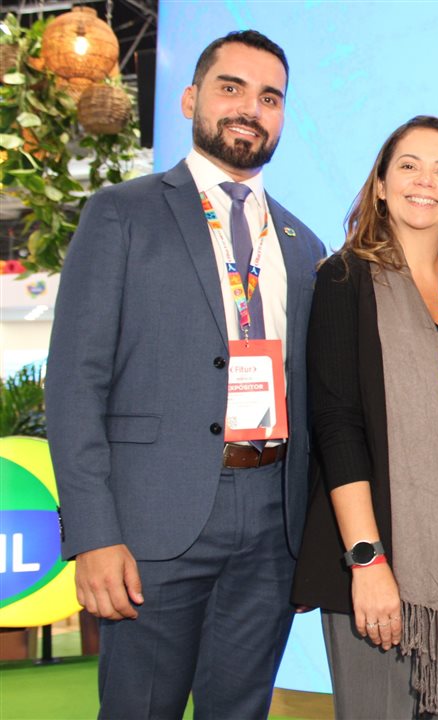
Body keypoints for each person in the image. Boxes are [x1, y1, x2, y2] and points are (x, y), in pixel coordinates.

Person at [45, 30, 325, 718]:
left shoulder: (303, 243)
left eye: (269, 97)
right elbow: (75, 383)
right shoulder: (122, 213)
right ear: (190, 97)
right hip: (150, 527)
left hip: (272, 524)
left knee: (239, 710)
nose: (249, 109)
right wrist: (92, 533)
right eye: (231, 88)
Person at [290, 116, 438, 718]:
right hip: (377, 544)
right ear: (382, 184)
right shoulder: (344, 278)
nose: (426, 181)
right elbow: (336, 427)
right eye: (409, 165)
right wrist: (367, 560)